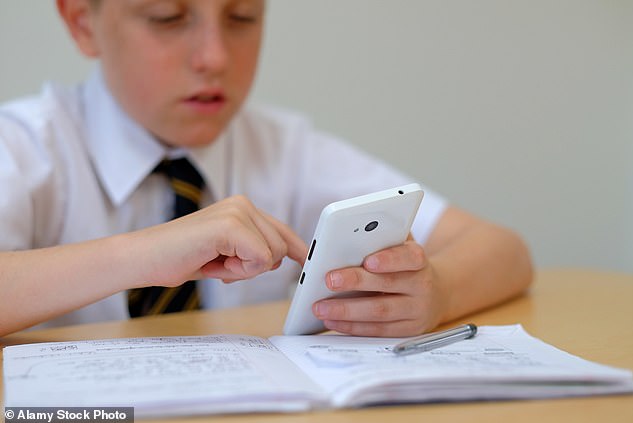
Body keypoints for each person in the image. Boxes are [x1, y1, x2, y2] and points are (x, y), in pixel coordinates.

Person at [0, 0, 533, 338]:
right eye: (167, 17)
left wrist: (438, 290)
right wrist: (140, 254)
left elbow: (505, 251)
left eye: (242, 18)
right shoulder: (24, 146)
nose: (214, 57)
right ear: (81, 22)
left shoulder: (284, 149)